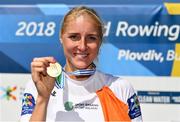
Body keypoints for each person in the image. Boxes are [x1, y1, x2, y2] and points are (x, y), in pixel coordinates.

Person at [20, 6, 142, 122]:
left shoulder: (120, 88)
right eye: (74, 37)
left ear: (100, 42)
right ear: (61, 38)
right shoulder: (38, 86)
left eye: (91, 38)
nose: (82, 46)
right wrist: (43, 98)